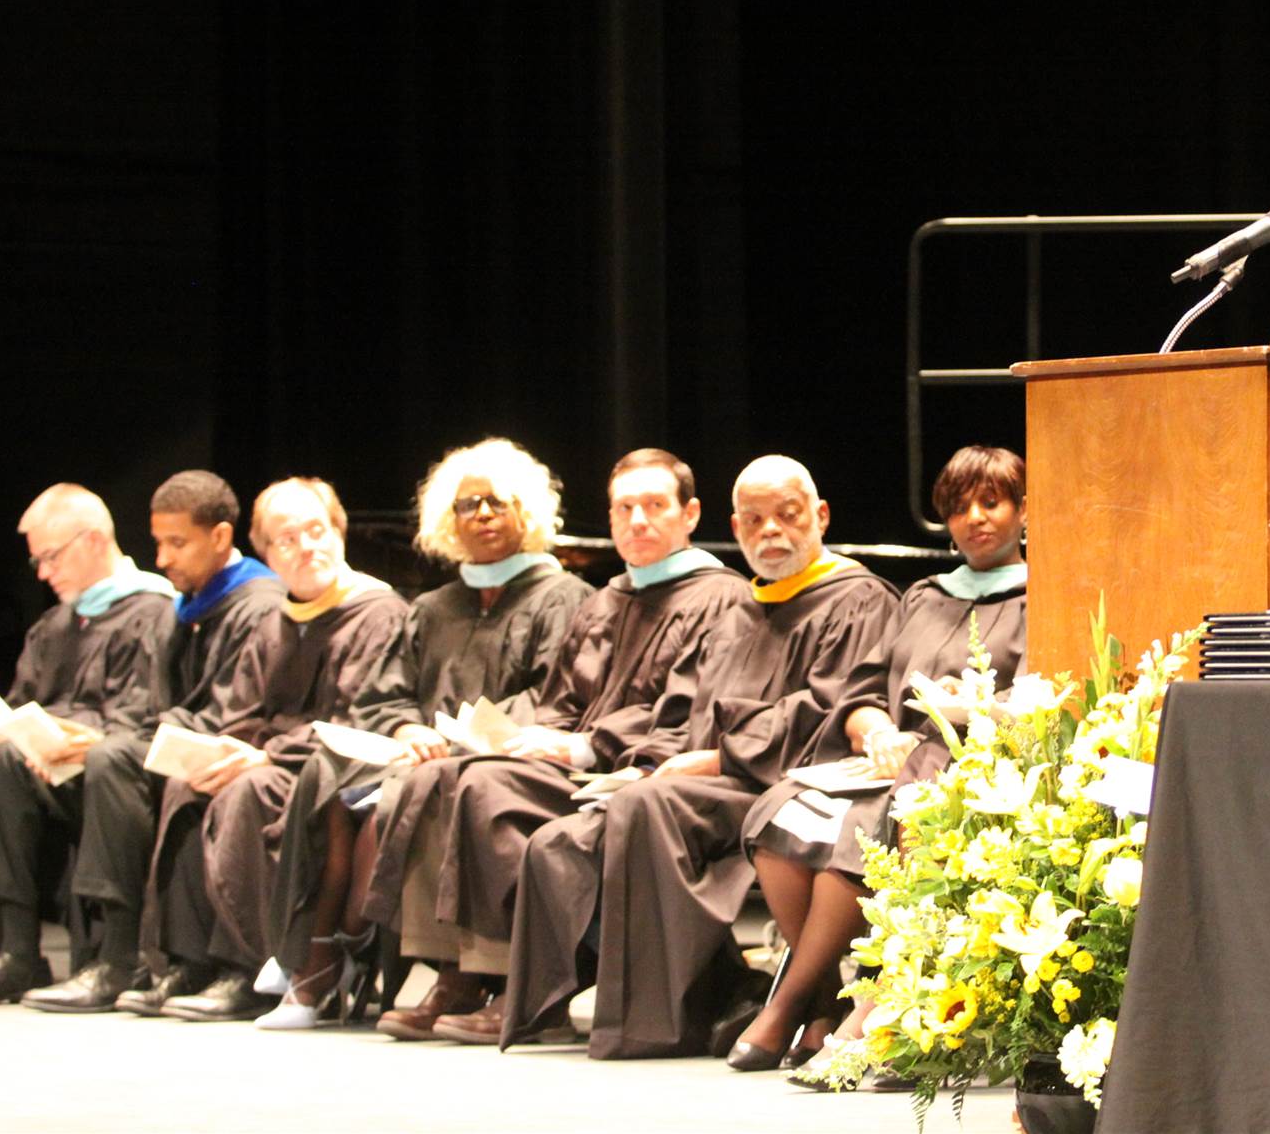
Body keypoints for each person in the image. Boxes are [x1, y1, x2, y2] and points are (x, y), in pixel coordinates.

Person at [497, 455, 900, 1059]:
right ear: (735, 529)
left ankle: (666, 1023)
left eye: (787, 516)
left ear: (819, 516)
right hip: (713, 783)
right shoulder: (738, 608)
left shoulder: (859, 598)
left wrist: (714, 761)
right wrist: (652, 761)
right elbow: (687, 714)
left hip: (790, 784)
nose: (771, 531)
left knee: (648, 806)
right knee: (562, 840)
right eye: (755, 519)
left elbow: (828, 710)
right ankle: (729, 997)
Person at [367, 447, 749, 1042]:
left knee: (485, 788)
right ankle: (457, 972)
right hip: (579, 762)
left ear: (690, 514)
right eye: (625, 508)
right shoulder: (606, 599)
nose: (638, 521)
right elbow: (562, 701)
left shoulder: (718, 597)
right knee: (439, 778)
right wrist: (535, 735)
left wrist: (580, 747)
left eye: (654, 506)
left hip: (638, 769)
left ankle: (519, 986)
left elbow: (686, 711)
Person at [253, 438, 594, 1031]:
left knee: (431, 786)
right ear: (448, 520)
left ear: (528, 511)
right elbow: (385, 695)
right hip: (422, 757)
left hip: (510, 756)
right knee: (324, 770)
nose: (482, 514)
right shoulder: (433, 607)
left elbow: (555, 697)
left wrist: (461, 736)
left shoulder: (562, 597)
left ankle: (434, 974)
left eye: (497, 501)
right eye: (467, 505)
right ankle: (314, 955)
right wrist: (408, 726)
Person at [732, 446, 1029, 1074]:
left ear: (1024, 510)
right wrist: (876, 732)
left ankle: (798, 1008)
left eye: (992, 502)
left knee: (864, 829)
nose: (975, 517)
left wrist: (971, 709)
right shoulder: (922, 595)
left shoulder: (1043, 594)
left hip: (974, 765)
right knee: (777, 814)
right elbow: (863, 693)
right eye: (958, 507)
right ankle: (817, 1000)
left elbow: (1037, 699)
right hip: (893, 760)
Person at [22, 471, 286, 1013]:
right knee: (104, 751)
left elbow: (238, 708)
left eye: (177, 543)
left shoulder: (258, 604)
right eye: (160, 542)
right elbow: (165, 702)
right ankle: (175, 963)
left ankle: (124, 958)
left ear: (220, 537)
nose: (162, 558)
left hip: (238, 746)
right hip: (183, 741)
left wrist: (135, 737)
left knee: (119, 757)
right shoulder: (186, 608)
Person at [147, 477, 409, 1023]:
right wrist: (222, 749)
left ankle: (253, 966)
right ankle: (193, 960)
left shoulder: (378, 613)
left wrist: (265, 757)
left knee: (249, 789)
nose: (306, 547)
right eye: (286, 539)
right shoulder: (274, 623)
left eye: (316, 531)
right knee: (188, 784)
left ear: (338, 533)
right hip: (268, 761)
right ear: (267, 554)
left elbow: (360, 719)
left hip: (334, 771)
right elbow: (243, 714)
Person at [0, 484, 177, 1005]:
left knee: (106, 758)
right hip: (53, 772)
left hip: (126, 774)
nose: (42, 572)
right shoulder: (54, 625)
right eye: (37, 560)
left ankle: (117, 961)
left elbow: (142, 720)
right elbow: (22, 704)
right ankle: (15, 951)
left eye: (51, 556)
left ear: (92, 540)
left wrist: (68, 739)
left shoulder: (155, 611)